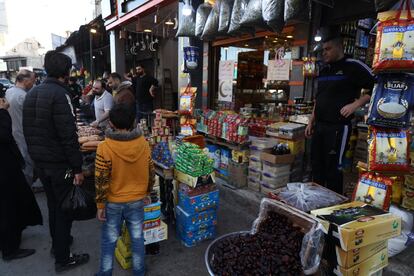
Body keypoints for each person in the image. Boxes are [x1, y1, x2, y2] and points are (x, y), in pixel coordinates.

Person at [23, 50, 89, 272]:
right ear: (66, 71)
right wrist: (77, 168)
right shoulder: (60, 94)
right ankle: (63, 258)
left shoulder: (33, 93)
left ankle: (59, 245)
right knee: (64, 209)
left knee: (54, 205)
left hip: (41, 164)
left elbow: (28, 131)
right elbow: (68, 135)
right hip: (60, 166)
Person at [305, 30, 375, 194]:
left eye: (327, 49)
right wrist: (311, 120)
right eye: (323, 50)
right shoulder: (324, 69)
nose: (324, 53)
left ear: (339, 47)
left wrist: (356, 104)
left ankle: (333, 203)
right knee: (316, 165)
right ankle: (317, 201)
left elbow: (378, 84)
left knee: (333, 167)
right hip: (319, 126)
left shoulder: (353, 66)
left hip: (338, 128)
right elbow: (318, 98)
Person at [95, 103, 154, 276]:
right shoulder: (143, 143)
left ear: (111, 123)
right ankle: (139, 272)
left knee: (108, 241)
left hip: (113, 202)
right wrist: (147, 193)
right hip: (136, 200)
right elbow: (150, 171)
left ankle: (105, 273)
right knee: (137, 239)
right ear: (134, 122)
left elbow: (101, 180)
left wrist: (100, 205)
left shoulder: (104, 147)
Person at [0, 97, 42, 261]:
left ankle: (7, 241)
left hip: (7, 166)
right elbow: (4, 134)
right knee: (8, 208)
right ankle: (9, 249)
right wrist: (3, 112)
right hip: (4, 169)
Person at [5, 70, 37, 186]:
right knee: (27, 168)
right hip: (23, 137)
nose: (33, 84)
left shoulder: (9, 92)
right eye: (32, 81)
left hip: (12, 136)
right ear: (26, 80)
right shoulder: (24, 97)